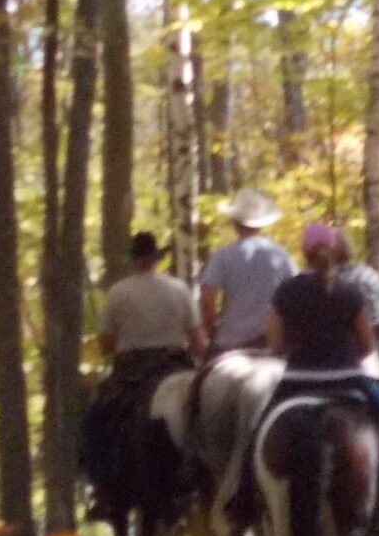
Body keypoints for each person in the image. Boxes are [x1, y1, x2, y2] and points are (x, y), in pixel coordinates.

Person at [80, 232, 202, 483]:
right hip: (175, 364)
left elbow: (106, 345)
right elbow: (197, 339)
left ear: (133, 260)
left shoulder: (117, 293)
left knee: (95, 417)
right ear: (156, 259)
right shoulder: (179, 289)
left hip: (132, 369)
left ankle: (97, 480)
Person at [263, 222, 379, 415]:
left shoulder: (285, 291)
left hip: (298, 380)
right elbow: (368, 346)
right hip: (348, 379)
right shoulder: (351, 292)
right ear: (333, 250)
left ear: (305, 251)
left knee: (258, 428)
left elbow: (276, 346)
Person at [199, 188, 294, 359]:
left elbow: (207, 300)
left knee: (197, 381)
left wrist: (212, 333)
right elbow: (296, 296)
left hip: (230, 342)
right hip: (271, 343)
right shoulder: (281, 256)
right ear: (262, 224)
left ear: (235, 222)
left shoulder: (222, 256)